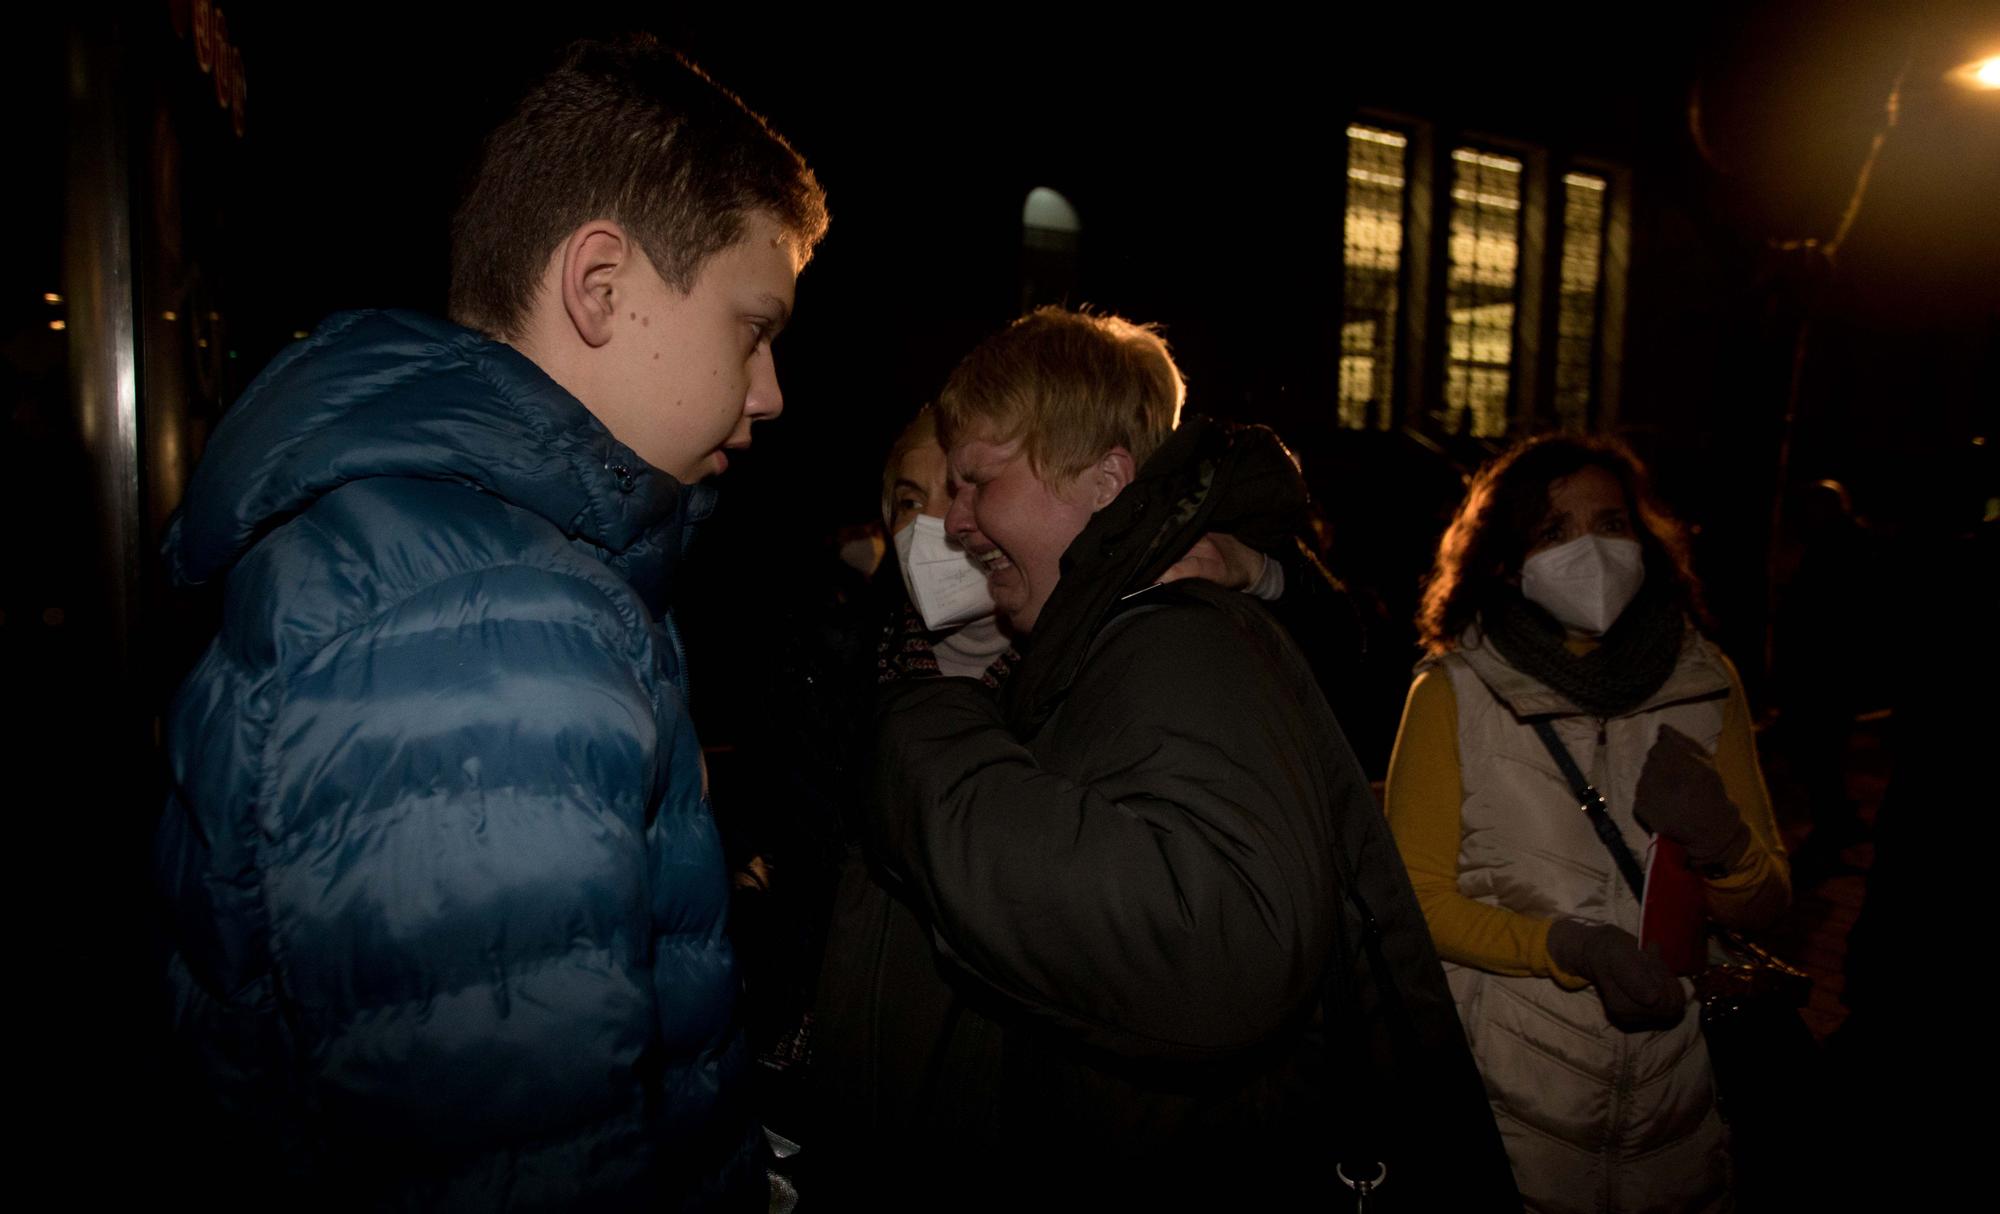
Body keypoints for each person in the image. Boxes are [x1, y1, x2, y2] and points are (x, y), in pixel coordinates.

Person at [152, 36, 826, 1209]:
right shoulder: (490, 619)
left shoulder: (466, 555)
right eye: (751, 327)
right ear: (601, 286)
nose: (769, 392)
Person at [814, 308, 1516, 1210]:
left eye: (975, 484)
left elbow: (1214, 945)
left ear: (1106, 479)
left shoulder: (1171, 643)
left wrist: (925, 725)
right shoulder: (1080, 643)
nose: (954, 525)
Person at [1384, 435, 1790, 1213]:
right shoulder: (1454, 693)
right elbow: (1417, 902)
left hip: (1680, 1109)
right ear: (1506, 559)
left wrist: (1725, 844)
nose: (1592, 551)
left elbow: (1769, 901)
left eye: (1610, 523)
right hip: (1509, 1106)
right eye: (1554, 532)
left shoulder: (1705, 683)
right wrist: (1569, 946)